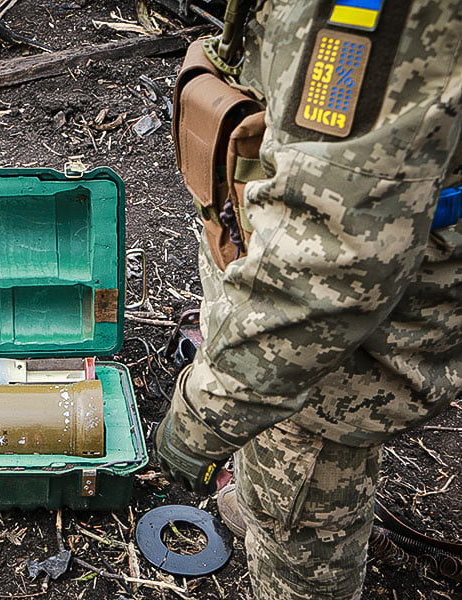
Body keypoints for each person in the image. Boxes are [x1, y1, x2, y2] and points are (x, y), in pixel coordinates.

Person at [154, 1, 462, 599]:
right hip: (295, 306)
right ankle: (264, 500)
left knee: (307, 496)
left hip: (331, 351)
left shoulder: (367, 16)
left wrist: (196, 422)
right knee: (282, 455)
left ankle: (295, 544)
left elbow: (323, 272)